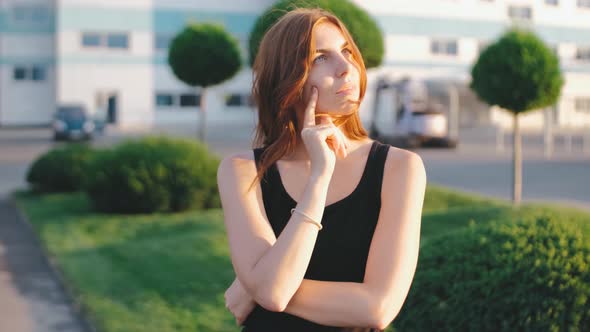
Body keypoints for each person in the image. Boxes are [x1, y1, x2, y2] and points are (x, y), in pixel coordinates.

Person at [217, 7, 426, 331]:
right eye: (320, 58)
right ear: (287, 77)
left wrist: (255, 284)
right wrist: (319, 177)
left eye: (346, 51)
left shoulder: (399, 168)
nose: (346, 68)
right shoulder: (243, 171)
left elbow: (377, 308)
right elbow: (272, 291)